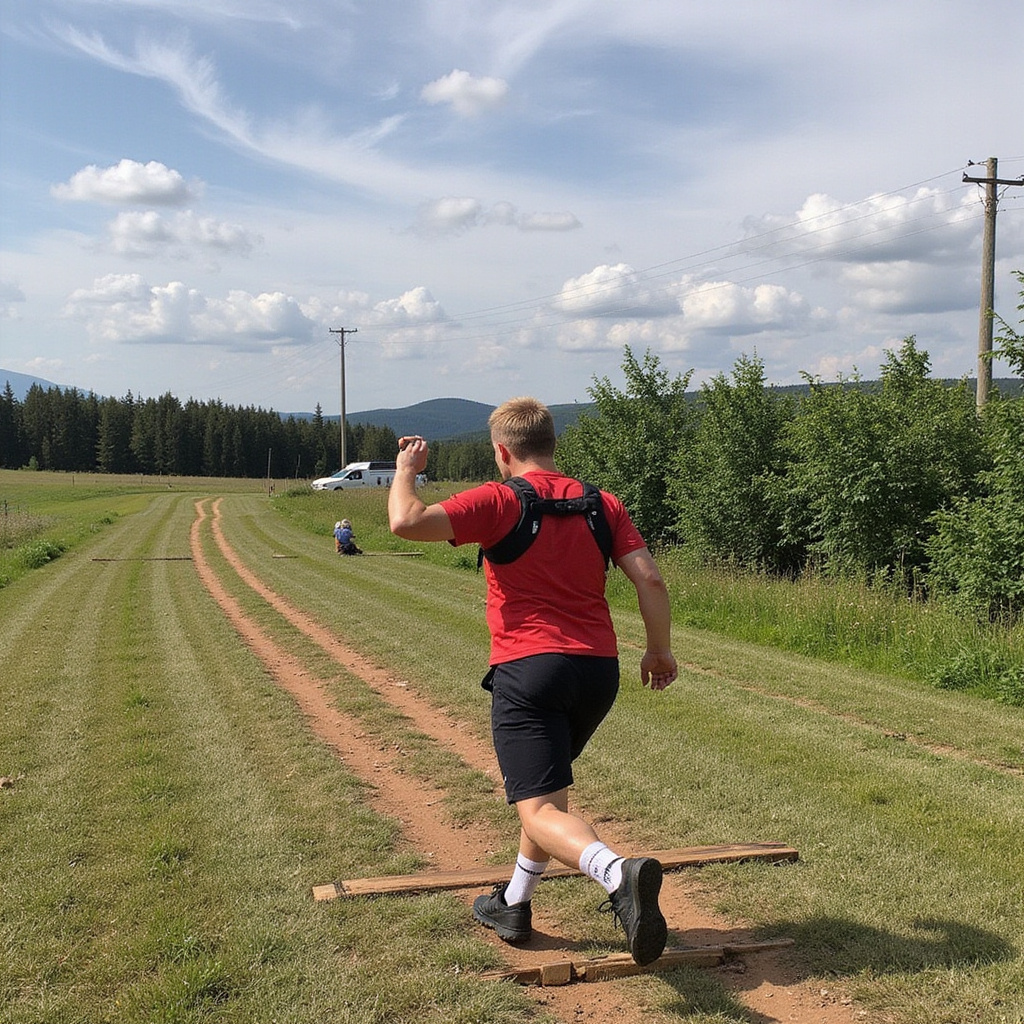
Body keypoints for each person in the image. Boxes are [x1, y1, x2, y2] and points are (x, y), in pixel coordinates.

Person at [388, 397, 678, 966]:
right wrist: (658, 649)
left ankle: (616, 874)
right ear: (552, 444)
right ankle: (514, 903)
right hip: (597, 672)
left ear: (503, 451)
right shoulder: (602, 504)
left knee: (539, 810)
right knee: (544, 795)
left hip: (530, 671)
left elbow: (405, 521)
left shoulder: (499, 500)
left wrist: (406, 471)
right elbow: (650, 579)